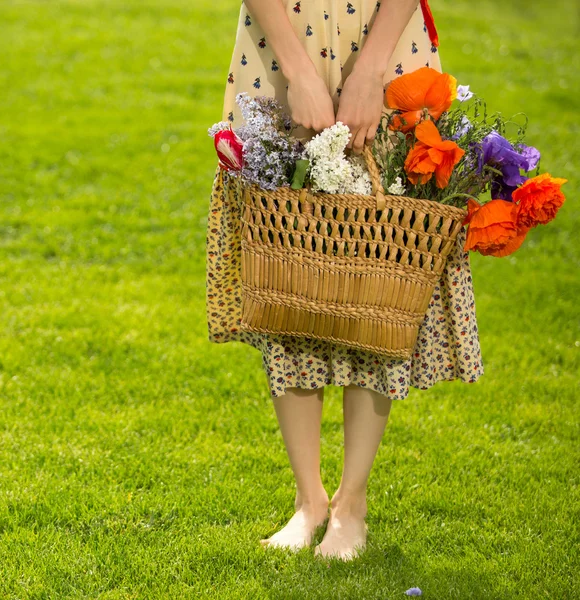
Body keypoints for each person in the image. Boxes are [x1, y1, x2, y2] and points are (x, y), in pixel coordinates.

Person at [206, 0, 484, 561]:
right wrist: (299, 70)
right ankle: (309, 500)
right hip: (280, 38)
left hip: (383, 41)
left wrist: (372, 70)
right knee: (286, 268)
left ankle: (350, 503)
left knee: (383, 275)